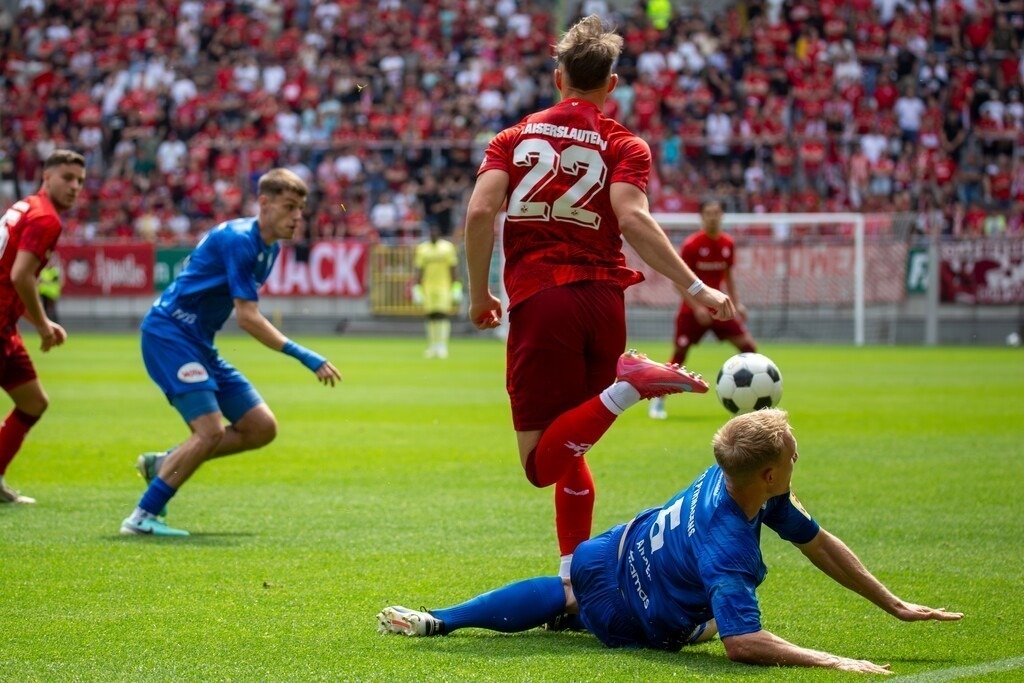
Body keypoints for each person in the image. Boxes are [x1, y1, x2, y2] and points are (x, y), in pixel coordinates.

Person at [377, 409, 963, 674]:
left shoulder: (734, 478)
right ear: (769, 475)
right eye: (792, 456)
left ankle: (443, 619)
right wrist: (832, 659)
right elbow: (745, 644)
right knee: (705, 625)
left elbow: (818, 542)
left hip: (611, 550)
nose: (797, 458)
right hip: (631, 614)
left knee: (568, 588)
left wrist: (893, 604)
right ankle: (579, 618)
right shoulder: (731, 546)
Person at [464, 15, 735, 577]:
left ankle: (630, 387)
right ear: (612, 85)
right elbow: (633, 220)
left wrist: (478, 293)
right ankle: (572, 575)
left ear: (557, 75)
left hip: (544, 301)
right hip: (605, 301)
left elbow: (480, 211)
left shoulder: (513, 139)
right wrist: (695, 286)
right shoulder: (624, 143)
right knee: (573, 444)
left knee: (540, 465)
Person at [120, 168, 343, 536]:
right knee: (207, 432)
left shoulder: (267, 248)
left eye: (301, 209)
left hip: (198, 343)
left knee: (261, 427)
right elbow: (248, 318)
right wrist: (307, 356)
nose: (297, 217)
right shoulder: (241, 240)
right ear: (265, 204)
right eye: (289, 207)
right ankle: (142, 517)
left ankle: (166, 463)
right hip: (169, 334)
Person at [0, 150, 85, 504]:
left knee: (33, 402)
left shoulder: (27, 205)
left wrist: (38, 320)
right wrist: (45, 327)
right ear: (46, 177)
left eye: (79, 181)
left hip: (5, 327)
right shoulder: (46, 218)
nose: (75, 187)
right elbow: (20, 275)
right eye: (67, 178)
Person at [649, 200, 756, 420]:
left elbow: (728, 277)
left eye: (716, 213)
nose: (713, 217)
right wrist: (696, 306)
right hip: (692, 312)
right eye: (708, 213)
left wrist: (737, 302)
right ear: (701, 217)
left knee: (749, 349)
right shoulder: (692, 245)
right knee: (678, 358)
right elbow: (678, 281)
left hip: (720, 309)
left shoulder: (727, 243)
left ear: (722, 215)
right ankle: (658, 401)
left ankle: (754, 401)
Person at [412, 224, 462, 359]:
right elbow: (419, 269)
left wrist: (456, 285)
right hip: (428, 287)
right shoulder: (422, 249)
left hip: (443, 286)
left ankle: (442, 345)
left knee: (442, 315)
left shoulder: (447, 248)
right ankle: (433, 345)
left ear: (439, 234)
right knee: (430, 316)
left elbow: (453, 268)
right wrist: (416, 287)